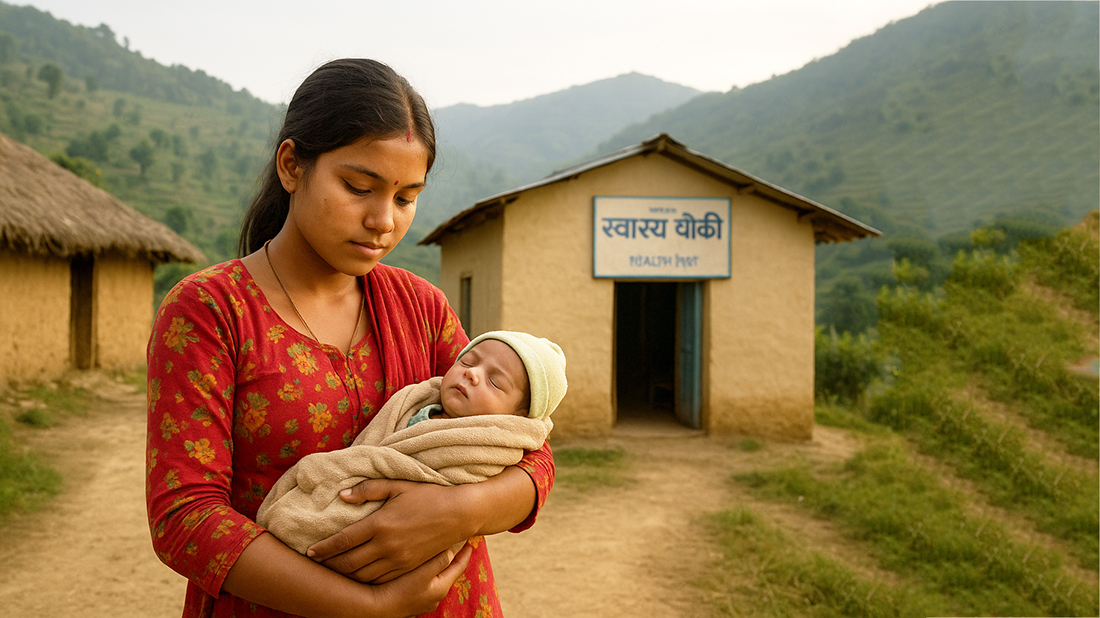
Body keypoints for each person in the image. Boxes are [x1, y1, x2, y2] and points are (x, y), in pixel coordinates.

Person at [145, 59, 555, 618]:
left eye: (406, 198)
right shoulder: (211, 312)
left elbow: (528, 449)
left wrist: (459, 511)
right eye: (359, 187)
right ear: (292, 166)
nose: (383, 220)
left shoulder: (422, 307)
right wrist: (367, 604)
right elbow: (185, 517)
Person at [256, 330, 567, 555]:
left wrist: (464, 507)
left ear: (519, 416)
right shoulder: (420, 403)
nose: (472, 374)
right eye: (468, 361)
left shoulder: (492, 443)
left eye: (495, 381)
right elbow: (376, 446)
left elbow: (537, 460)